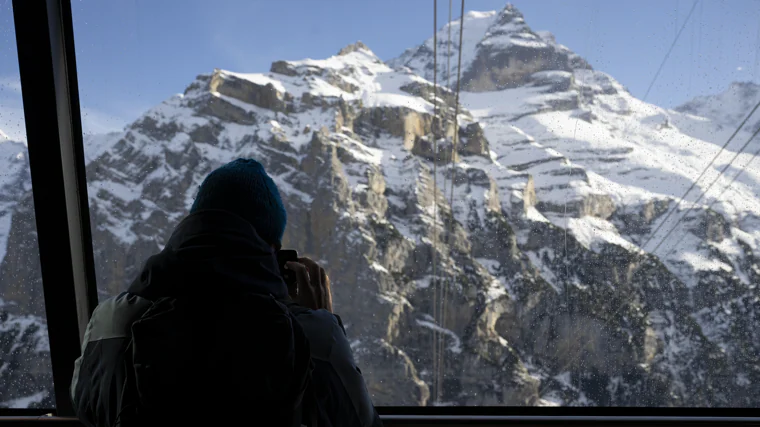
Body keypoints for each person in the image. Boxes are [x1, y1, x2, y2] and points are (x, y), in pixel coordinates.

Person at [70, 158, 382, 427]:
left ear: (189, 229)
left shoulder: (110, 324)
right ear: (272, 252)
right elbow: (358, 421)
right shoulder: (315, 337)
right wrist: (324, 321)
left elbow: (88, 408)